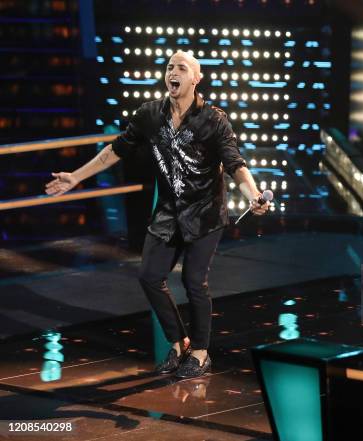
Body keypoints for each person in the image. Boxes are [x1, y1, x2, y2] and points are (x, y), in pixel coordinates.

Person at [45, 50, 269, 379]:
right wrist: (76, 176)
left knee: (194, 282)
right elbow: (115, 150)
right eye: (169, 67)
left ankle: (201, 353)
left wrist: (253, 196)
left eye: (182, 68)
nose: (173, 72)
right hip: (168, 210)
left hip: (205, 213)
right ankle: (178, 342)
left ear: (196, 78)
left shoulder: (214, 119)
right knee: (149, 276)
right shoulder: (150, 115)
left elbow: (235, 164)